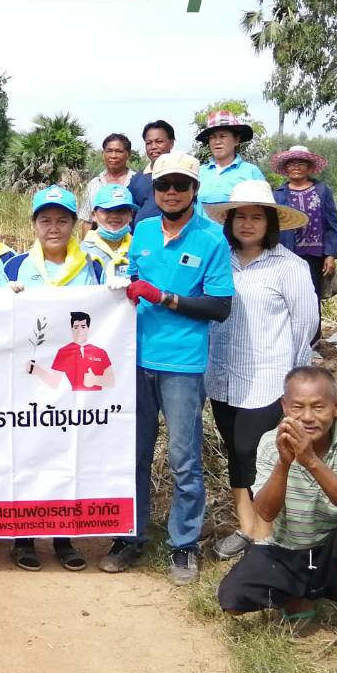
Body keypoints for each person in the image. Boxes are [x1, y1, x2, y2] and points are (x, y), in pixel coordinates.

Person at [101, 152, 233, 584]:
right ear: (153, 191)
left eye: (180, 184)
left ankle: (183, 544)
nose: (171, 192)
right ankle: (131, 535)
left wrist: (165, 298)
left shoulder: (212, 239)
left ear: (195, 189)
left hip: (181, 364)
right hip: (135, 361)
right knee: (134, 455)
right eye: (163, 186)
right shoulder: (141, 232)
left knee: (183, 459)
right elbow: (134, 278)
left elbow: (219, 306)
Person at [218, 367, 337, 673]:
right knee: (232, 601)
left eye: (318, 407)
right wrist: (285, 463)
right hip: (288, 548)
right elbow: (266, 513)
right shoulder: (272, 442)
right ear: (284, 407)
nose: (308, 417)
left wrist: (310, 460)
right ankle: (300, 597)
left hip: (331, 552)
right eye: (298, 407)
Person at [202, 180, 319, 560]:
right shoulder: (219, 260)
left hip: (269, 376)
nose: (248, 224)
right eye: (241, 217)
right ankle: (246, 526)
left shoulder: (290, 267)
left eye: (256, 217)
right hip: (221, 374)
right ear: (230, 221)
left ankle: (267, 532)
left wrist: (295, 381)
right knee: (234, 451)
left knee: (258, 452)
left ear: (270, 223)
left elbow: (306, 324)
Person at [2, 185, 106, 572]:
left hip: (71, 385)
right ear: (33, 224)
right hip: (26, 383)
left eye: (63, 220)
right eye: (45, 220)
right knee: (27, 455)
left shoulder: (92, 267)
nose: (54, 227)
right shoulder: (12, 267)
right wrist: (0, 296)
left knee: (67, 454)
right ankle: (23, 538)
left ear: (75, 224)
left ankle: (63, 537)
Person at [271, 144, 337, 342]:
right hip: (287, 253)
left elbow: (332, 224)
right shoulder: (279, 195)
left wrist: (330, 254)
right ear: (286, 168)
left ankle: (313, 341)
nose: (296, 167)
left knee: (312, 296)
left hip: (315, 255)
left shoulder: (321, 191)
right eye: (291, 163)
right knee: (287, 296)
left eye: (301, 163)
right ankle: (288, 339)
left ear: (309, 168)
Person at [195, 109, 267, 209]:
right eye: (212, 137)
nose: (217, 142)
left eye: (222, 136)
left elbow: (263, 208)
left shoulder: (251, 172)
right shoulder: (198, 172)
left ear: (236, 140)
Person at [81, 183, 137, 287]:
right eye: (107, 210)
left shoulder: (139, 248)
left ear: (131, 216)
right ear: (94, 215)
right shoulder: (81, 252)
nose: (114, 216)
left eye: (121, 211)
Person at [83, 133, 135, 228]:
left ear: (128, 154)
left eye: (119, 151)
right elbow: (87, 221)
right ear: (103, 154)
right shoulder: (93, 184)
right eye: (109, 151)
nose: (113, 156)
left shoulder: (137, 182)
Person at [130, 119, 174, 224]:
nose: (153, 147)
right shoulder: (137, 179)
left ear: (171, 143)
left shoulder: (182, 175)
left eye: (159, 141)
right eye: (148, 143)